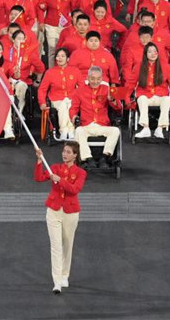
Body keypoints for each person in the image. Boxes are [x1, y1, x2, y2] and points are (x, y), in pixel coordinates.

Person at [34, 142, 86, 294]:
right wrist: (39, 161)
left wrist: (60, 180)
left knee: (67, 245)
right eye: (64, 151)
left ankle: (64, 275)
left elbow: (75, 189)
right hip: (53, 211)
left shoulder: (81, 172)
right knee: (56, 246)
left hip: (71, 212)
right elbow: (38, 178)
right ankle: (57, 282)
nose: (65, 154)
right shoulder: (55, 168)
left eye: (69, 152)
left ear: (75, 155)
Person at [70, 66, 122, 168]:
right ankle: (88, 159)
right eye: (92, 79)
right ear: (88, 78)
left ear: (101, 78)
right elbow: (73, 108)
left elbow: (119, 107)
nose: (95, 81)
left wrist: (112, 100)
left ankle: (105, 157)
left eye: (98, 79)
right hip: (86, 125)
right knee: (78, 131)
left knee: (116, 131)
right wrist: (74, 117)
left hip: (103, 125)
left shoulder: (108, 89)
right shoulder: (79, 91)